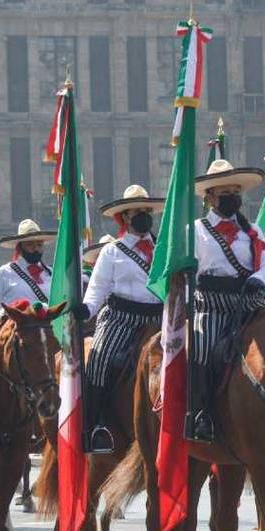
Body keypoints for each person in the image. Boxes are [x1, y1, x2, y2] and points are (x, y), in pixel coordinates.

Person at [188, 160, 265, 443]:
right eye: (224, 192)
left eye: (235, 191)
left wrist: (259, 279)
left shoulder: (253, 231)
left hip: (249, 300)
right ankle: (202, 414)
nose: (231, 198)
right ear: (210, 197)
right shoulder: (196, 231)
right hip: (211, 304)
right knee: (201, 348)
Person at [72, 185, 163, 454]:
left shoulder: (163, 248)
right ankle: (96, 426)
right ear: (124, 218)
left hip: (158, 319)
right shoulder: (113, 251)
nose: (144, 216)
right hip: (121, 319)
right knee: (99, 360)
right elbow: (97, 290)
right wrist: (85, 310)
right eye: (138, 212)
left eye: (147, 211)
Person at [0, 219, 56, 306]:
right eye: (30, 244)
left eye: (39, 245)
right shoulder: (4, 273)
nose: (36, 249)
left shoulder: (51, 273)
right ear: (20, 247)